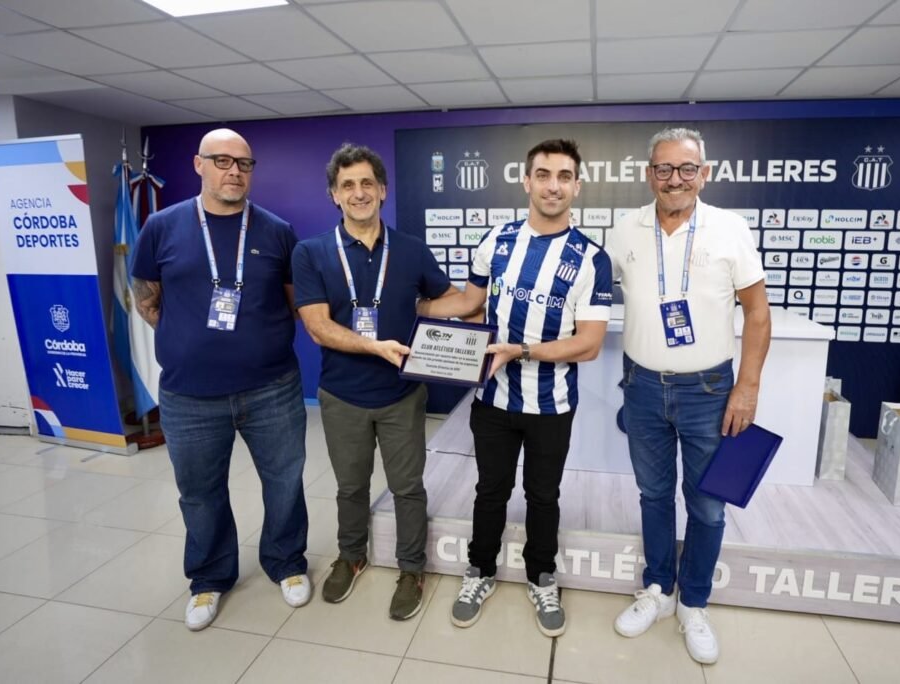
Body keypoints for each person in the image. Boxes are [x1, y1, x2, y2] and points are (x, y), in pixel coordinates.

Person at [420, 139, 613, 637]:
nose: (553, 185)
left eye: (564, 176)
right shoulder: (497, 241)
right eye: (543, 174)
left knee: (543, 495)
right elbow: (469, 304)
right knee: (490, 491)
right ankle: (479, 570)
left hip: (552, 405)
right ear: (526, 181)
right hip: (492, 400)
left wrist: (520, 350)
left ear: (577, 186)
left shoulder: (592, 259)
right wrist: (411, 312)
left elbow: (588, 344)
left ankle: (541, 575)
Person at [131, 128, 310, 632]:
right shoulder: (162, 227)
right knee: (200, 492)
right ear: (199, 164)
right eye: (223, 161)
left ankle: (287, 563)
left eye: (245, 164)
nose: (235, 171)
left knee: (284, 481)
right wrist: (191, 343)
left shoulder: (277, 230)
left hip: (272, 388)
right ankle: (209, 578)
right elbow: (148, 300)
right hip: (188, 395)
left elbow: (297, 301)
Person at [606, 128, 771, 664]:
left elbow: (757, 312)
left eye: (685, 169)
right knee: (654, 495)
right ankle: (657, 589)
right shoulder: (625, 228)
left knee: (707, 504)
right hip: (642, 386)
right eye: (663, 169)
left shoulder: (730, 227)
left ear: (704, 172)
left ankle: (693, 602)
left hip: (709, 391)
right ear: (648, 173)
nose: (674, 179)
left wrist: (746, 388)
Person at [292, 143, 454, 620]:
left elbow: (443, 301)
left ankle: (411, 568)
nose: (358, 193)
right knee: (350, 486)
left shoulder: (410, 249)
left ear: (382, 190)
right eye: (348, 185)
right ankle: (352, 555)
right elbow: (318, 325)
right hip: (342, 396)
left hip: (403, 395)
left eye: (367, 183)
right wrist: (376, 346)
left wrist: (481, 305)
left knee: (408, 487)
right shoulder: (311, 253)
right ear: (333, 196)